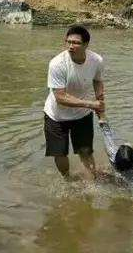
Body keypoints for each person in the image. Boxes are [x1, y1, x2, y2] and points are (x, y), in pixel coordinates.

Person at [44, 25, 105, 178]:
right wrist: (91, 104)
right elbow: (60, 97)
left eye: (76, 43)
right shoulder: (57, 64)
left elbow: (97, 81)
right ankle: (67, 179)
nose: (71, 46)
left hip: (82, 114)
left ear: (86, 45)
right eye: (68, 42)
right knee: (60, 153)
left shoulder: (96, 60)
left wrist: (100, 99)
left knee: (85, 151)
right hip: (56, 115)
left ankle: (92, 182)